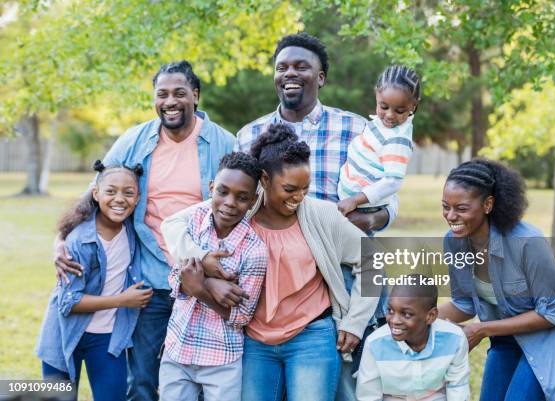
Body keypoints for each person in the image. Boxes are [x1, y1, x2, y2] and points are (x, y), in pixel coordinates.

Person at [53, 61, 235, 401]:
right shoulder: (135, 140)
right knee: (142, 381)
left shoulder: (224, 143)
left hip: (203, 279)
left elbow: (241, 204)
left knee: (203, 378)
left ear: (195, 96)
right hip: (151, 280)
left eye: (179, 93)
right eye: (162, 94)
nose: (170, 101)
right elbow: (97, 189)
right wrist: (60, 239)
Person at [162, 123, 379, 401]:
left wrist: (355, 322)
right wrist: (203, 261)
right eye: (289, 189)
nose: (299, 197)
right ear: (264, 180)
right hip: (255, 340)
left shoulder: (322, 216)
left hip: (310, 336)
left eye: (305, 188)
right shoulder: (240, 206)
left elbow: (373, 258)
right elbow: (173, 224)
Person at [235, 32, 395, 401]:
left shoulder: (356, 130)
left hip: (338, 270)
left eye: (301, 66)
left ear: (320, 76)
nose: (289, 73)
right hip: (269, 274)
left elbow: (387, 194)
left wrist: (373, 219)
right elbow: (232, 202)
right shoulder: (248, 135)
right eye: (282, 67)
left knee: (340, 387)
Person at [438, 158, 555, 401]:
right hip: (506, 334)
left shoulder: (527, 241)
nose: (451, 216)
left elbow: (551, 314)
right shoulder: (454, 242)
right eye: (445, 206)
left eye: (461, 208)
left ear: (488, 204)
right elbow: (464, 303)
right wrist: (422, 318)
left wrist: (481, 329)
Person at [36, 161, 153, 401]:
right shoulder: (79, 242)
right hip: (63, 336)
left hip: (108, 337)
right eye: (110, 191)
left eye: (128, 193)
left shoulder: (132, 229)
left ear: (138, 197)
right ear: (96, 193)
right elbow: (69, 302)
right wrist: (123, 300)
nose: (119, 199)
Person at [159, 152, 268, 401]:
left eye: (242, 198)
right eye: (223, 192)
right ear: (211, 188)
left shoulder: (254, 250)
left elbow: (241, 316)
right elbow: (176, 277)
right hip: (178, 347)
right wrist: (207, 283)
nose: (230, 203)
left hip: (222, 358)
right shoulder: (194, 222)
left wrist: (199, 290)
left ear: (253, 201)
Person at [356, 277, 469, 401]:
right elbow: (368, 396)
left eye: (407, 314)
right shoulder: (375, 344)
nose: (394, 321)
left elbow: (458, 389)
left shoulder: (454, 339)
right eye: (390, 310)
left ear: (431, 316)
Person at [337, 65, 419, 217]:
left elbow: (392, 182)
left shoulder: (397, 139)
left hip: (361, 206)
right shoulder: (384, 126)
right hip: (351, 199)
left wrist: (355, 200)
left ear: (413, 105)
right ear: (377, 96)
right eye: (384, 106)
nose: (389, 115)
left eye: (399, 111)